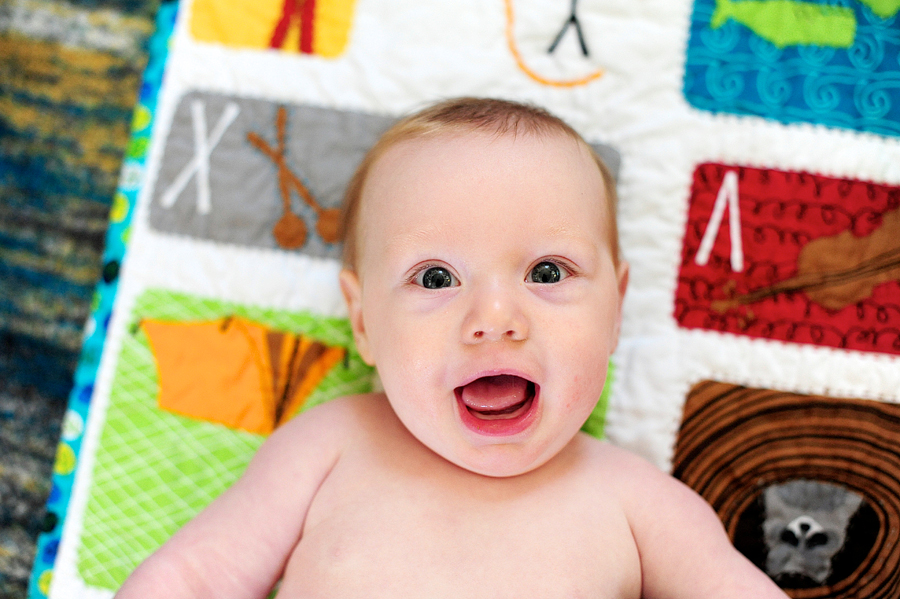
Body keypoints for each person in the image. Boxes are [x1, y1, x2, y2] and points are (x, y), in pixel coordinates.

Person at [115, 97, 788, 598]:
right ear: (364, 323)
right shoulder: (328, 447)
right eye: (435, 277)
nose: (494, 319)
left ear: (615, 308)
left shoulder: (637, 501)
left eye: (547, 272)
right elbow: (196, 575)